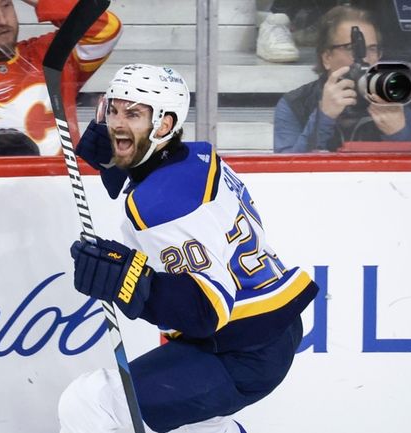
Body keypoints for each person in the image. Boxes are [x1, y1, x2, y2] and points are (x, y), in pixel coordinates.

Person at [58, 64, 319, 433]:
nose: (117, 122)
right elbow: (159, 176)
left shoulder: (159, 203)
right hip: (268, 331)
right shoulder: (199, 156)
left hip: (237, 353)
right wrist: (120, 158)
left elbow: (205, 312)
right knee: (192, 425)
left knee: (89, 402)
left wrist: (128, 281)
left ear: (164, 125)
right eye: (113, 109)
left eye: (133, 113)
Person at [0, 0, 122, 157]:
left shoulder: (52, 53)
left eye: (6, 5)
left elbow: (107, 29)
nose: (2, 19)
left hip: (67, 190)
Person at [273, 4, 411, 153]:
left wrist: (400, 135)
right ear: (327, 57)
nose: (364, 58)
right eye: (352, 49)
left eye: (372, 49)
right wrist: (324, 117)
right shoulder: (295, 104)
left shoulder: (391, 100)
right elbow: (288, 171)